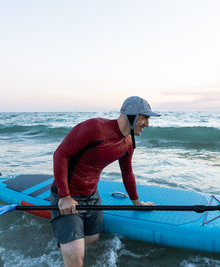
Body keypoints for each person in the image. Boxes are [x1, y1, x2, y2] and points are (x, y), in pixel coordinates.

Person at [50, 96, 161, 267]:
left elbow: (127, 173)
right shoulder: (95, 128)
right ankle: (67, 242)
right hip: (68, 197)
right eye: (144, 117)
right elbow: (60, 154)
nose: (147, 124)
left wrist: (137, 203)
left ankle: (66, 242)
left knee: (93, 242)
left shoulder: (128, 142)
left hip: (92, 197)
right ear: (131, 115)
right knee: (74, 259)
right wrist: (64, 196)